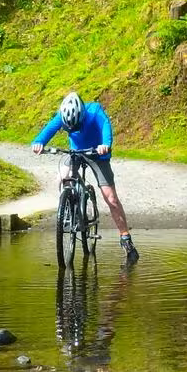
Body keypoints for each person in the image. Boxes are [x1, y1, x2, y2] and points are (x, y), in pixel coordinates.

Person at [31, 91, 138, 264]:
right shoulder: (62, 115)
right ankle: (68, 209)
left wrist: (106, 145)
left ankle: (125, 237)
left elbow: (105, 127)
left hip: (97, 153)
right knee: (61, 178)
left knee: (111, 198)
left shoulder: (95, 111)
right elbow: (49, 129)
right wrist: (39, 142)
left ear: (82, 115)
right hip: (76, 152)